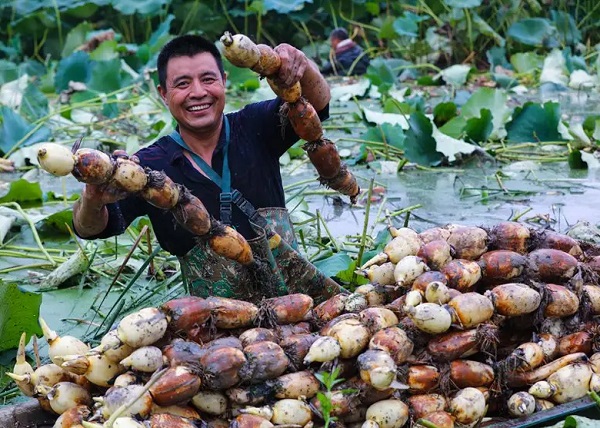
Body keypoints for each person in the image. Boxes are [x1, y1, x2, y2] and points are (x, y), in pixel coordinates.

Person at [72, 34, 346, 303]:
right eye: (183, 83)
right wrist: (92, 199)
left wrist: (301, 64)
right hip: (218, 322)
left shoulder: (256, 126)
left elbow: (317, 104)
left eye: (208, 79)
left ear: (224, 81)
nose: (198, 92)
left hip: (301, 305)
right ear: (163, 94)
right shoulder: (147, 168)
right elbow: (90, 229)